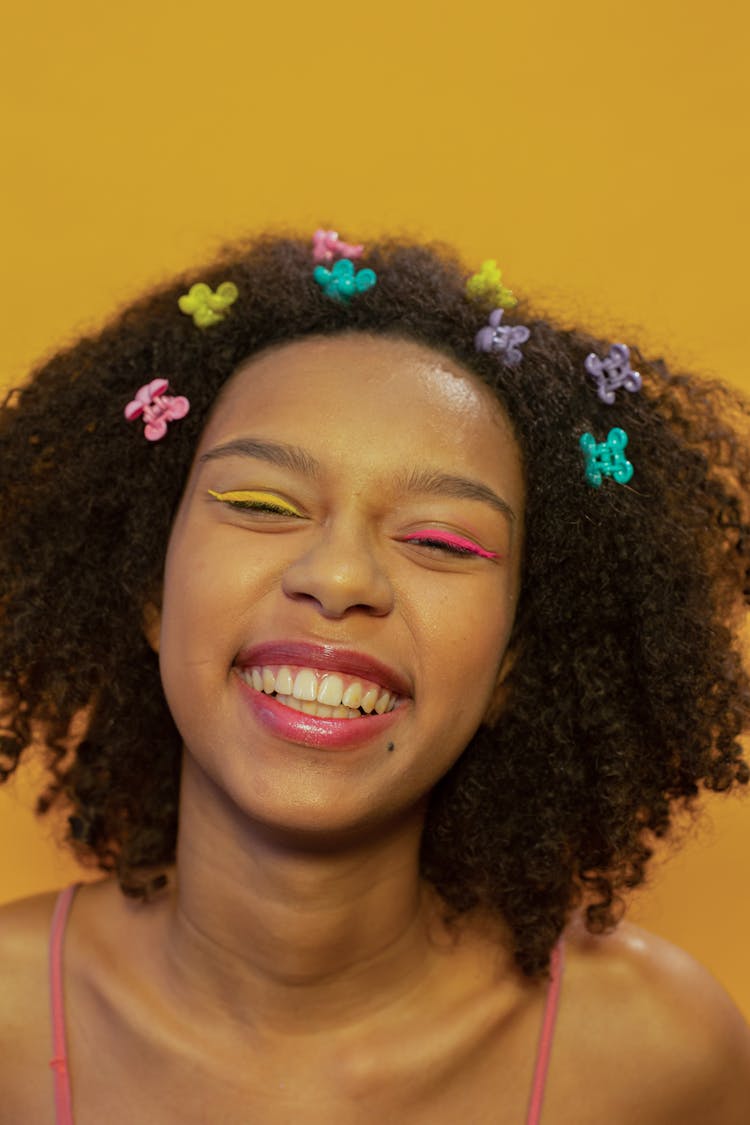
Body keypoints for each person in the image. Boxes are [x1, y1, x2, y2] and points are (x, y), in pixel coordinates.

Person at [1, 230, 749, 1124]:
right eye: (259, 504)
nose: (341, 577)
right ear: (148, 591)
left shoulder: (659, 1056)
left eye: (441, 540)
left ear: (517, 660)